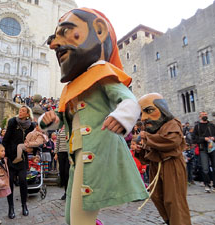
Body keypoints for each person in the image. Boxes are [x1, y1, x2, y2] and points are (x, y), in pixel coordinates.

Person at [42, 8, 148, 225]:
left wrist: (122, 116)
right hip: (77, 155)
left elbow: (128, 100)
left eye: (66, 32)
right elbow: (61, 121)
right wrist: (48, 121)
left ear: (99, 30)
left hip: (97, 152)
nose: (53, 45)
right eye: (53, 39)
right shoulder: (72, 86)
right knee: (72, 217)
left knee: (81, 217)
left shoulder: (101, 71)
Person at [135, 93, 191, 225]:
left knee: (174, 200)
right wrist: (140, 150)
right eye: (142, 113)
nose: (144, 118)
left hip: (171, 164)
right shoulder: (151, 129)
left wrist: (147, 138)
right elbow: (148, 156)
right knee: (157, 197)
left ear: (162, 109)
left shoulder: (172, 123)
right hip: (156, 167)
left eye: (149, 111)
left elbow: (171, 141)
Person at [2, 106, 35, 218]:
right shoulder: (12, 122)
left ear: (27, 114)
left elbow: (35, 140)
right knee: (10, 182)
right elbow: (5, 139)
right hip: (11, 156)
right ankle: (11, 208)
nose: (20, 112)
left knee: (23, 181)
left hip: (23, 158)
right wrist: (4, 155)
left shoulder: (31, 125)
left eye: (23, 111)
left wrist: (35, 152)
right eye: (20, 110)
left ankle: (24, 205)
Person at [193, 111, 215, 193]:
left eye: (206, 114)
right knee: (205, 168)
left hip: (213, 148)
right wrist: (204, 139)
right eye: (203, 115)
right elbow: (194, 138)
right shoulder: (197, 127)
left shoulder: (211, 125)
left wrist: (213, 138)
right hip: (203, 149)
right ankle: (207, 184)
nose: (205, 116)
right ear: (200, 117)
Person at [54, 125, 69, 200]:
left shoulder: (70, 127)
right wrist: (56, 153)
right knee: (62, 172)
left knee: (67, 173)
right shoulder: (60, 130)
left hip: (68, 153)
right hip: (61, 153)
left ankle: (67, 193)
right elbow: (57, 142)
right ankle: (65, 190)